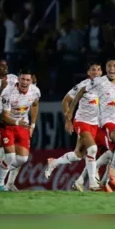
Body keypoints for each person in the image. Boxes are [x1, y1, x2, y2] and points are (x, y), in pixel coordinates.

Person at [63, 58, 115, 187]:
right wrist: (69, 115)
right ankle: (97, 178)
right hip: (104, 122)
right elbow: (77, 94)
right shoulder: (100, 83)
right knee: (112, 149)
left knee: (109, 154)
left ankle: (92, 182)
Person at [44, 62, 103, 191]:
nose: (96, 72)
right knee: (92, 149)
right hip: (81, 121)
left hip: (95, 124)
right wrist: (68, 119)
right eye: (93, 70)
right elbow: (66, 100)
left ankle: (54, 163)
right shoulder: (83, 85)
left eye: (99, 70)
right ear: (88, 73)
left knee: (78, 155)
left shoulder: (103, 87)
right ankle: (93, 183)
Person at [0, 67, 41, 191]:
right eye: (23, 79)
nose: (25, 82)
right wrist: (17, 122)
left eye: (27, 80)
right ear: (18, 80)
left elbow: (35, 105)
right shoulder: (8, 93)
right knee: (9, 156)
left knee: (23, 159)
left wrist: (33, 124)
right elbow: (4, 117)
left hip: (23, 124)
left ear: (31, 81)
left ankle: (1, 170)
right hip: (7, 124)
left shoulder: (35, 91)